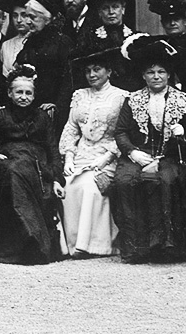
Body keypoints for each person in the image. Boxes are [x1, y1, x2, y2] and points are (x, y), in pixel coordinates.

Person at [112, 34, 186, 264]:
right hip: (139, 153)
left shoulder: (183, 101)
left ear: (168, 75)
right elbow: (120, 131)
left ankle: (168, 247)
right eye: (151, 72)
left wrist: (182, 134)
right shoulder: (132, 100)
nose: (156, 76)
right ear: (143, 76)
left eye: (161, 72)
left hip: (169, 155)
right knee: (125, 181)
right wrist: (133, 152)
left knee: (168, 181)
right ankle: (135, 248)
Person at [0, 65, 64, 265]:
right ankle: (26, 238)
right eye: (19, 92)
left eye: (28, 93)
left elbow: (52, 149)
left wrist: (57, 179)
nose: (23, 97)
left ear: (33, 95)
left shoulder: (41, 117)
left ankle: (33, 239)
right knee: (12, 172)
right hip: (7, 163)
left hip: (36, 167)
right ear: (10, 93)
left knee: (18, 172)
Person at [58, 47, 128, 257]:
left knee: (89, 186)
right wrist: (68, 157)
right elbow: (71, 128)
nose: (91, 75)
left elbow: (123, 133)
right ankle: (71, 245)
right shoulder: (79, 95)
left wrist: (106, 158)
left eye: (97, 69)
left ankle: (94, 245)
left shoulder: (121, 96)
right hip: (81, 154)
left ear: (109, 71)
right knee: (67, 186)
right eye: (88, 70)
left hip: (109, 155)